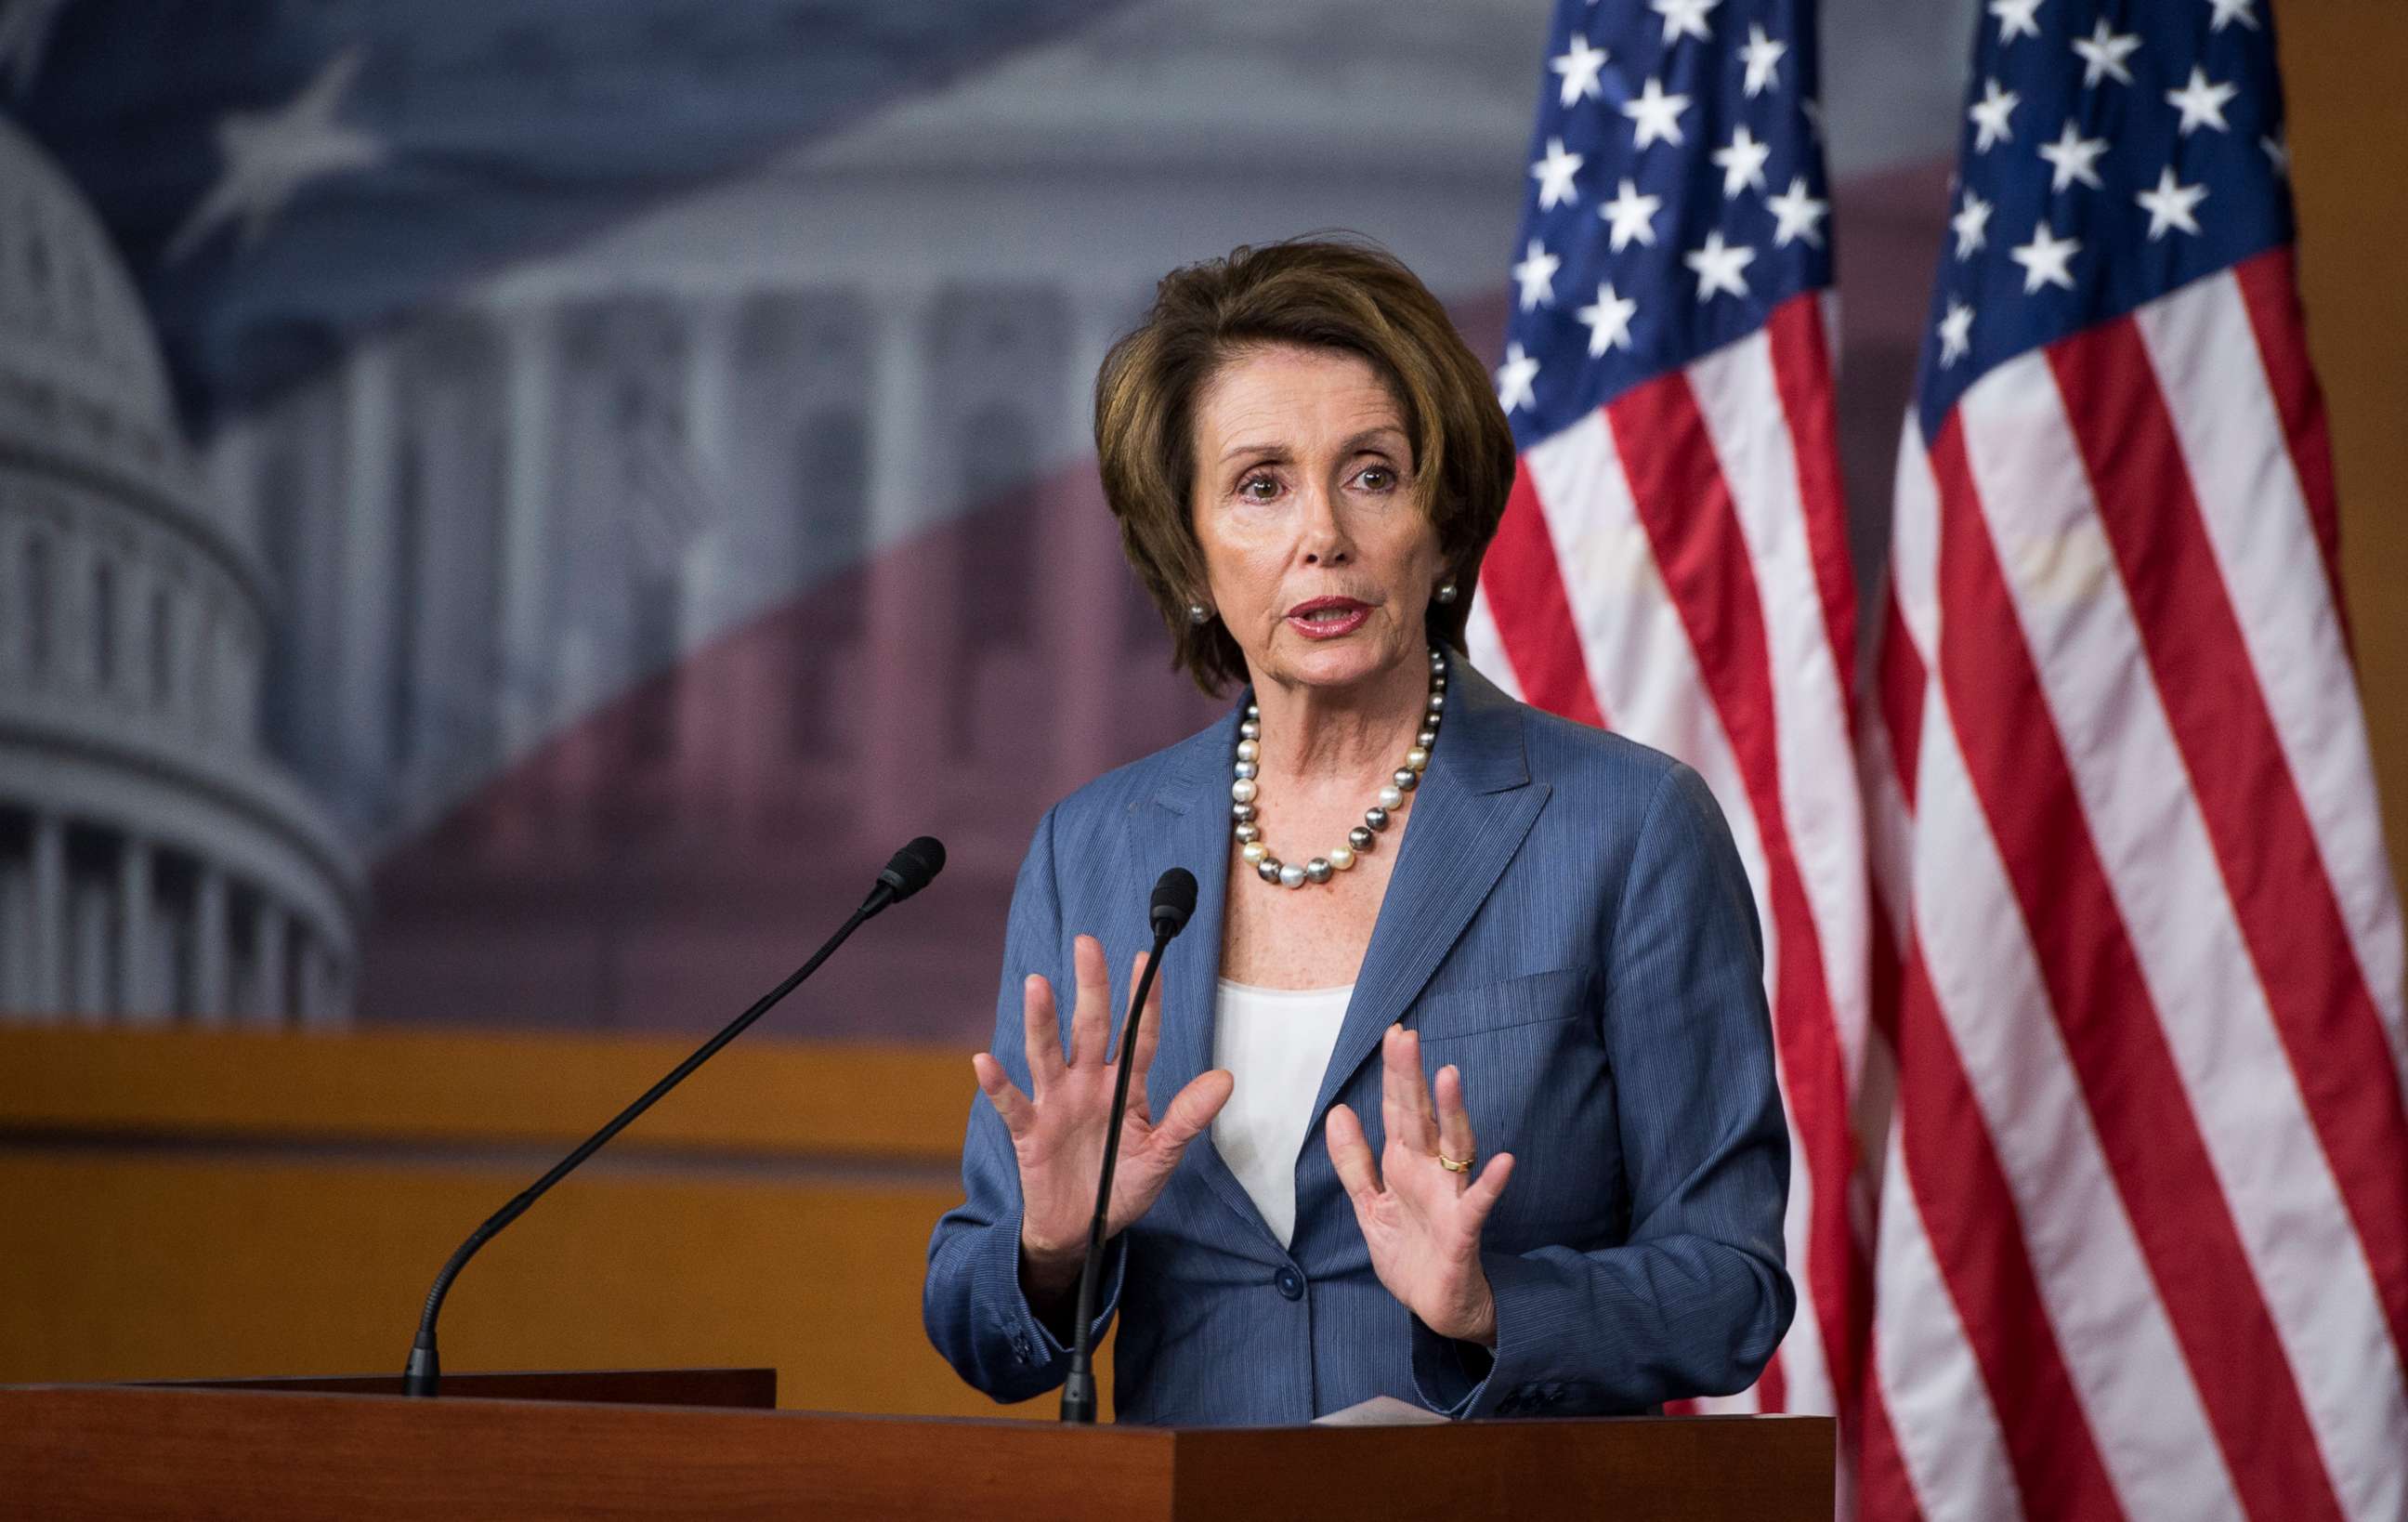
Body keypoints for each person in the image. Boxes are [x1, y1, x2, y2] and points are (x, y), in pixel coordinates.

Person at [923, 238, 1792, 1424]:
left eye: (1373, 474)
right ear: (1189, 550)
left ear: (1443, 523)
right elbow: (980, 1325)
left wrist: (1490, 1303)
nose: (1321, 533)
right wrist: (1056, 1243)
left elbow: (1731, 1290)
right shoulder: (1099, 847)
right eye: (1261, 484)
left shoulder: (1627, 827)